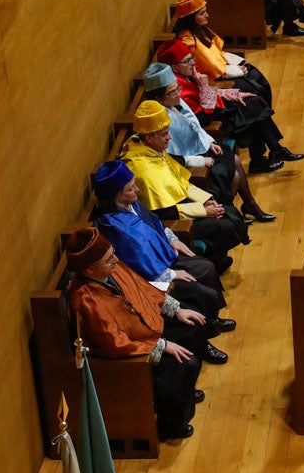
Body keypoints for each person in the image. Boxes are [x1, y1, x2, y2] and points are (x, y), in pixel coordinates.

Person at [65, 228, 216, 441]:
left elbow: (143, 289)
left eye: (113, 252)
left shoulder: (112, 269)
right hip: (130, 352)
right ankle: (171, 423)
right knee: (185, 364)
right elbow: (111, 342)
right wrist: (162, 346)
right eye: (109, 259)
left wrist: (177, 310)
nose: (116, 259)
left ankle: (184, 392)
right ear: (90, 268)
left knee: (194, 325)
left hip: (144, 327)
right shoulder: (85, 300)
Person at [91, 160, 233, 327]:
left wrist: (173, 239)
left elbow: (155, 222)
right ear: (116, 195)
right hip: (152, 276)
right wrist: (172, 274)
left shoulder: (132, 204)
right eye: (130, 188)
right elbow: (137, 258)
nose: (137, 190)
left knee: (206, 266)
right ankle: (209, 325)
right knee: (198, 284)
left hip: (164, 256)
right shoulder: (114, 225)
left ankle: (213, 317)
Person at [151, 40, 277, 221]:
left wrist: (209, 142)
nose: (178, 93)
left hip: (202, 146)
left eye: (177, 89)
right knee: (232, 172)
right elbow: (176, 152)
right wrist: (203, 159)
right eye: (173, 91)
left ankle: (246, 206)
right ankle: (231, 211)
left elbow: (193, 123)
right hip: (190, 164)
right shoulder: (162, 118)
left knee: (234, 158)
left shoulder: (175, 99)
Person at [119, 100, 248, 266]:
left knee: (227, 210)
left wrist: (204, 200)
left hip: (179, 204)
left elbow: (178, 179)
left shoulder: (150, 147)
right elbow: (165, 212)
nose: (169, 138)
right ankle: (215, 262)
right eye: (165, 134)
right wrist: (203, 211)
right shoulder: (142, 169)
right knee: (224, 225)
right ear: (150, 137)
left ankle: (218, 257)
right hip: (172, 218)